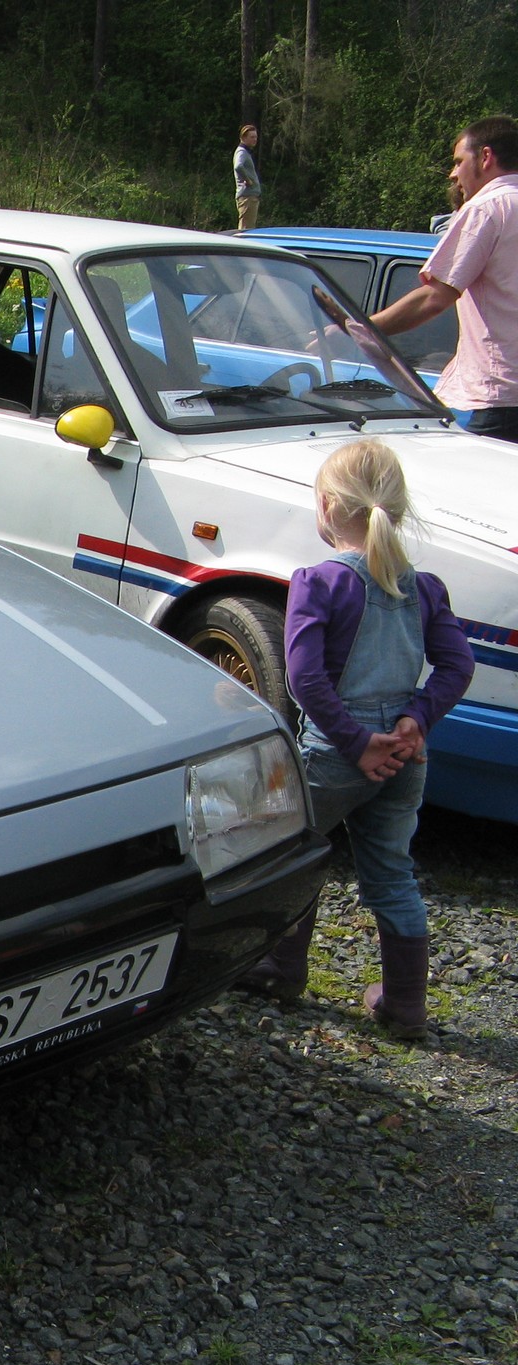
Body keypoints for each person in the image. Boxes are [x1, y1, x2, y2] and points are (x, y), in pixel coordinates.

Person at [235, 439, 474, 1039]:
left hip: (337, 752)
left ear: (325, 506)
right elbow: (457, 666)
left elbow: (304, 678)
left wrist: (354, 741)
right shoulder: (424, 587)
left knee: (290, 849)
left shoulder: (318, 582)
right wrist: (416, 720)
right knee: (392, 872)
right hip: (406, 753)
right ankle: (405, 1004)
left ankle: (280, 968)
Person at [369, 116, 518, 442]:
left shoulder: (486, 209)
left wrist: (357, 328)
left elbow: (434, 298)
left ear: (486, 157)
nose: (453, 174)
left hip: (500, 399)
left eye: (458, 161)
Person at [234, 125, 263, 231]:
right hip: (247, 197)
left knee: (249, 227)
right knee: (245, 229)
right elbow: (238, 166)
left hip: (251, 196)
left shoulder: (246, 152)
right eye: (252, 137)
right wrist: (248, 180)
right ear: (243, 138)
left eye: (256, 137)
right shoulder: (242, 152)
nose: (255, 139)